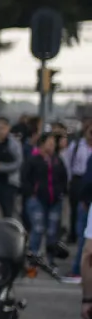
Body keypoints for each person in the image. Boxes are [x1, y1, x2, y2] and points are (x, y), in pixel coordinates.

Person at [24, 132, 68, 265]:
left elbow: (63, 178)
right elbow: (25, 178)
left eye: (53, 144)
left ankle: (50, 258)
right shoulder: (33, 159)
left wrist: (61, 192)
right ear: (42, 144)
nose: (52, 146)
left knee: (52, 231)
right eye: (49, 143)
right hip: (37, 199)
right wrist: (31, 193)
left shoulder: (57, 160)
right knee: (37, 228)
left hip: (55, 201)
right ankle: (34, 257)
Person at [66, 120, 92, 280]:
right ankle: (77, 270)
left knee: (85, 240)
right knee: (82, 236)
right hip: (79, 186)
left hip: (87, 196)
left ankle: (78, 271)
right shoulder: (77, 146)